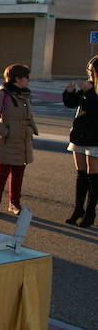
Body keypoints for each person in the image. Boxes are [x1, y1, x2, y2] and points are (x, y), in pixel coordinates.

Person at [0, 64, 38, 216]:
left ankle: (14, 204)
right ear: (17, 79)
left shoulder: (24, 95)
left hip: (22, 141)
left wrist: (32, 128)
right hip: (6, 141)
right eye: (26, 77)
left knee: (18, 174)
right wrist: (5, 132)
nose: (28, 80)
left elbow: (28, 116)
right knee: (2, 174)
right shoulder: (2, 94)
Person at [61, 56, 98, 227]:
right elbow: (71, 104)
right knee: (81, 173)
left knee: (94, 177)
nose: (89, 73)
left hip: (96, 137)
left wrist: (89, 91)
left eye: (92, 70)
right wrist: (70, 92)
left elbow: (94, 108)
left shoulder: (93, 90)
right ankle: (78, 209)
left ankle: (90, 212)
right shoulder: (88, 87)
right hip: (79, 135)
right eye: (88, 70)